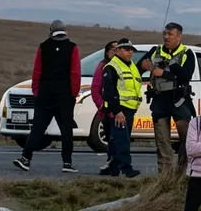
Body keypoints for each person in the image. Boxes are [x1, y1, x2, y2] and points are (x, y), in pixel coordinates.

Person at [13, 20, 82, 174]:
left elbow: (37, 71)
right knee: (66, 130)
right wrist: (73, 93)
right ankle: (67, 163)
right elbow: (75, 73)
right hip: (64, 94)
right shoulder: (73, 47)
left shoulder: (43, 47)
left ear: (51, 30)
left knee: (38, 128)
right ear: (65, 30)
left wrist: (36, 91)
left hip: (45, 93)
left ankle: (25, 158)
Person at [138, 22, 196, 174]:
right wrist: (145, 67)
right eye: (164, 34)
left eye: (170, 34)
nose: (166, 37)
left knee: (187, 140)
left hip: (179, 100)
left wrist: (164, 73)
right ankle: (165, 177)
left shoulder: (187, 53)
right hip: (159, 100)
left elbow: (185, 76)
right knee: (162, 141)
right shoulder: (155, 51)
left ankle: (182, 173)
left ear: (179, 37)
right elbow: (139, 67)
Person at [99, 39, 141, 178]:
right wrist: (117, 111)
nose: (130, 52)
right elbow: (109, 92)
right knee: (122, 140)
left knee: (120, 139)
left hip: (129, 109)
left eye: (131, 50)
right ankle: (126, 169)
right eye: (126, 49)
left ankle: (113, 168)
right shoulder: (112, 67)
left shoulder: (131, 65)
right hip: (120, 110)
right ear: (117, 51)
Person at [91, 40, 119, 171]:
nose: (116, 52)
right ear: (108, 52)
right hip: (108, 111)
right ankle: (111, 164)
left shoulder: (122, 66)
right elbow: (95, 88)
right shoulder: (103, 66)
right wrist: (102, 106)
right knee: (111, 138)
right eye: (114, 49)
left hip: (121, 109)